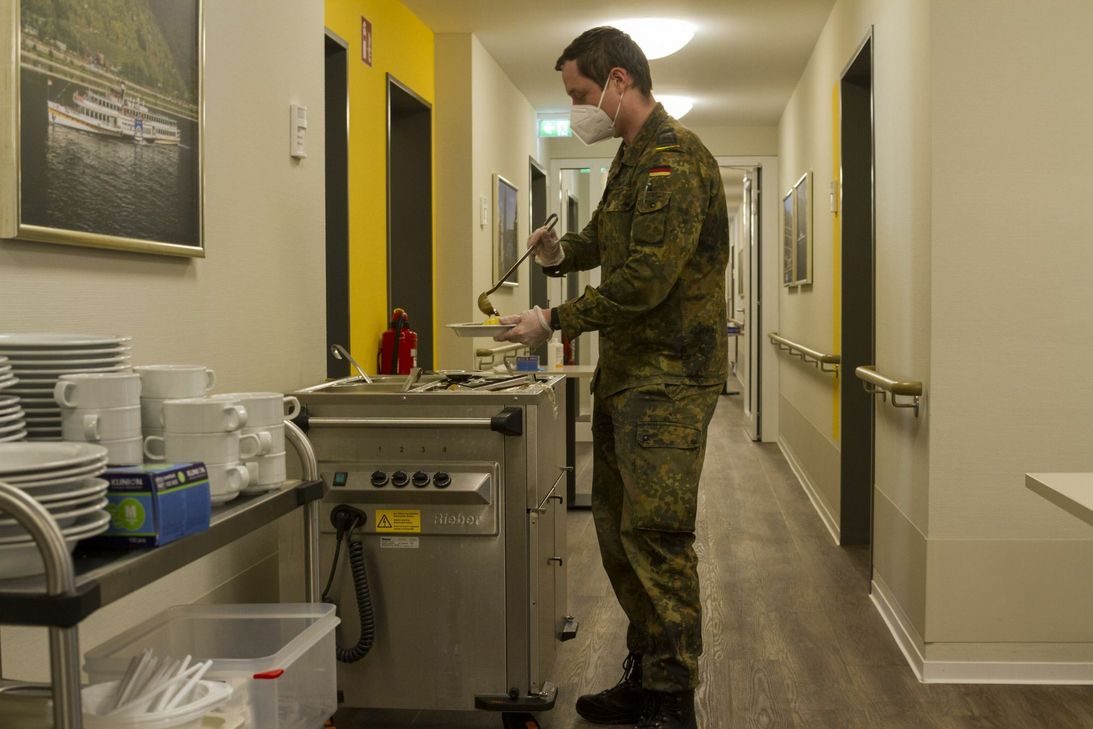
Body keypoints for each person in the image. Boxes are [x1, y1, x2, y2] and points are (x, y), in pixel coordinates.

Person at [495, 26, 729, 729]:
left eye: (580, 95)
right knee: (616, 530)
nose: (576, 109)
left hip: (669, 378)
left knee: (655, 535)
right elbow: (603, 239)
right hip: (629, 374)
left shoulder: (673, 159)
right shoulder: (629, 160)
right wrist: (559, 250)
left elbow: (647, 279)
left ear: (620, 82)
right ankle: (647, 671)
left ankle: (674, 696)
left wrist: (554, 320)